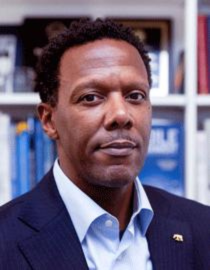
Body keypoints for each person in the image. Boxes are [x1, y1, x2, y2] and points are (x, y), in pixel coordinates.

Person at [0, 18, 210, 270]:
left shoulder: (203, 228)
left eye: (135, 96)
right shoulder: (6, 239)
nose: (121, 114)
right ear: (49, 120)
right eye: (91, 97)